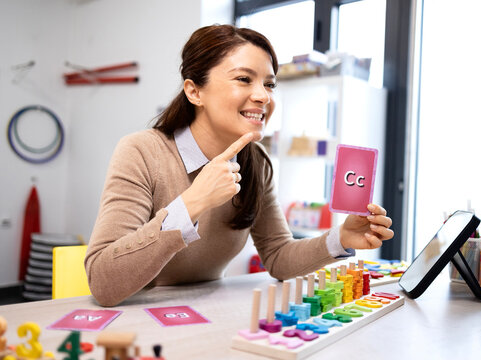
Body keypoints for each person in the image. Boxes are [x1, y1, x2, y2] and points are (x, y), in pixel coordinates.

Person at [85, 24, 394, 307]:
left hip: (208, 315)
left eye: (270, 85)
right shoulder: (142, 151)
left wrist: (339, 237)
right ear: (194, 91)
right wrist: (192, 203)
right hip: (137, 319)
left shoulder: (256, 162)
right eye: (244, 79)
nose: (262, 96)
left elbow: (278, 257)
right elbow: (102, 281)